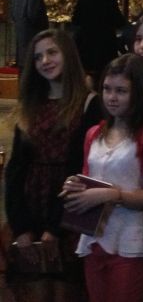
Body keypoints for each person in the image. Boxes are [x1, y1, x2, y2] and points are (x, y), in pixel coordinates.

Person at [5, 30, 101, 296]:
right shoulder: (31, 104)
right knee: (30, 288)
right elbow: (15, 169)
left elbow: (82, 168)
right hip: (30, 202)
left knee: (66, 289)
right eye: (37, 57)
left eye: (52, 52)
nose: (44, 60)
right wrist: (20, 226)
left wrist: (56, 227)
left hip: (69, 209)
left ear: (67, 55)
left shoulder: (89, 104)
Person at [66, 54, 143, 302]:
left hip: (130, 237)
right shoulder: (94, 133)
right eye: (107, 89)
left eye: (121, 91)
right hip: (93, 236)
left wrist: (114, 194)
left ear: (139, 93)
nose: (111, 97)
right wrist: (74, 185)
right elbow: (88, 178)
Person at [71, 0, 127, 79]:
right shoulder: (110, 1)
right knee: (104, 74)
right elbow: (119, 22)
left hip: (85, 42)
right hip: (104, 43)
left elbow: (75, 20)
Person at [12, 0, 48, 70]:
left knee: (23, 69)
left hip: (21, 35)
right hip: (33, 35)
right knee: (33, 69)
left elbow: (14, 14)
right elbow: (34, 15)